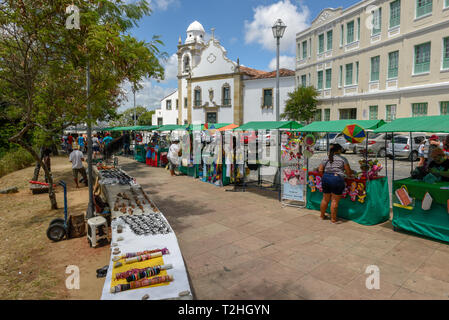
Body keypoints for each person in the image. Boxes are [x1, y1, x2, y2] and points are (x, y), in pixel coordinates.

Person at [318, 143, 354, 224]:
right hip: (337, 179)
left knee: (325, 199)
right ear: (338, 150)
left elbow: (320, 170)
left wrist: (326, 176)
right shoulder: (343, 159)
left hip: (326, 178)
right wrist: (350, 174)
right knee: (334, 201)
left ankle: (322, 216)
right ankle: (333, 219)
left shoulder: (325, 158)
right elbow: (348, 172)